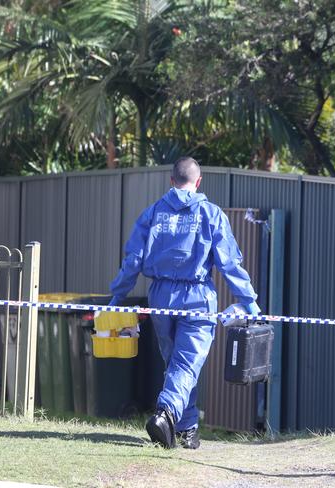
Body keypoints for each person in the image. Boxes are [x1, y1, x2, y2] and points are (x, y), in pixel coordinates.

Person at [108, 157, 260, 449]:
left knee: (177, 365)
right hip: (198, 298)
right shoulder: (211, 214)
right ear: (198, 181)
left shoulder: (152, 213)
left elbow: (133, 261)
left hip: (160, 298)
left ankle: (187, 429)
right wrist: (248, 300)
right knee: (187, 365)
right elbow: (229, 263)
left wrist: (118, 296)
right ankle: (164, 414)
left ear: (171, 180)